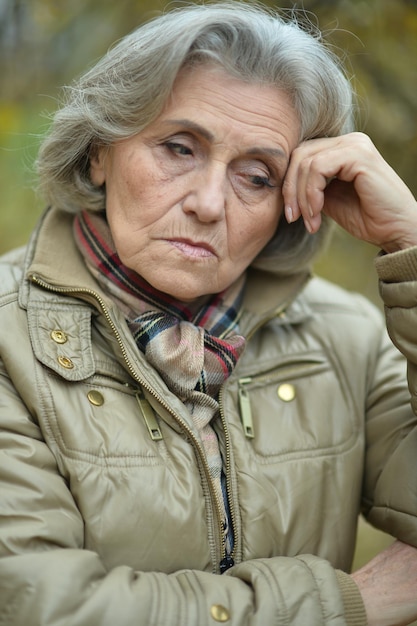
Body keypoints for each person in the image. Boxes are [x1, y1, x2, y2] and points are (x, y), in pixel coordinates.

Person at [0, 2, 417, 625]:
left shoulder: (342, 336)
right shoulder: (10, 338)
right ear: (99, 152)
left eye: (256, 175)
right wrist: (349, 604)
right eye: (178, 148)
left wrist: (411, 247)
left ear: (296, 198)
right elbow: (44, 604)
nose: (208, 202)